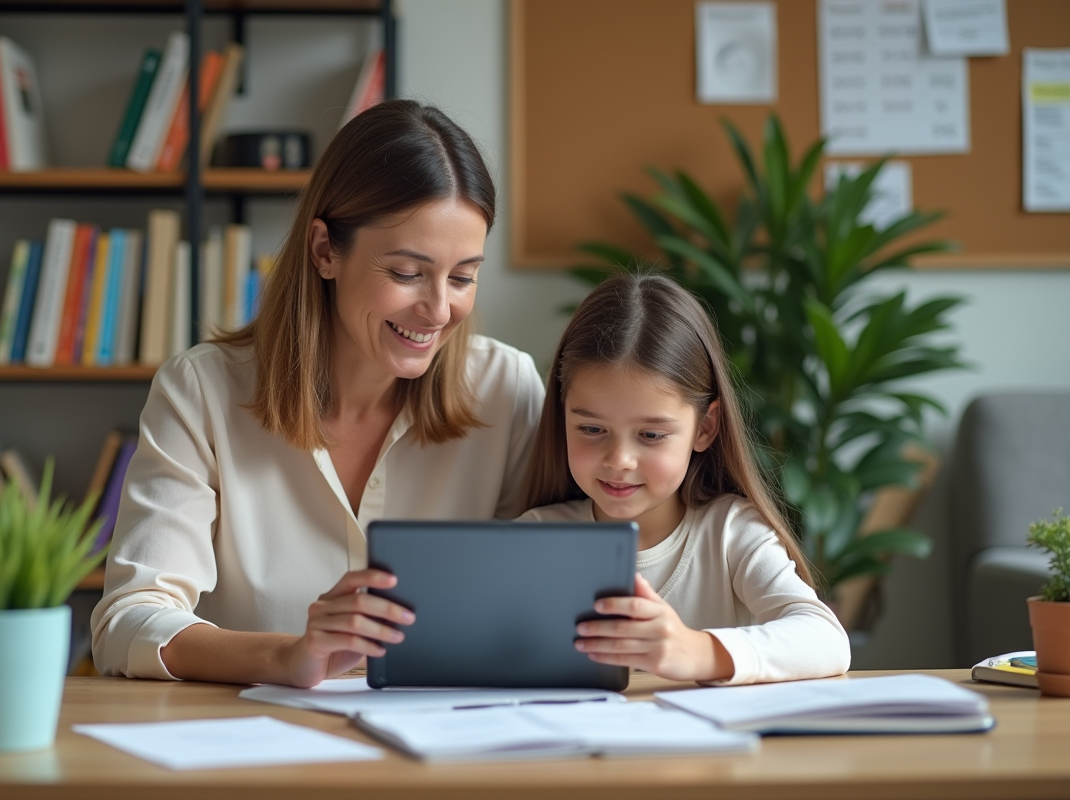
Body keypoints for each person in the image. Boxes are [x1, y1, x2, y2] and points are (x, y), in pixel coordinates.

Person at [91, 100, 544, 686]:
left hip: (444, 752)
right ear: (325, 250)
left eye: (462, 277)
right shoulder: (201, 391)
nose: (438, 309)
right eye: (407, 273)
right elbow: (128, 622)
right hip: (261, 755)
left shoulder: (507, 389)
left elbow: (542, 602)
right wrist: (286, 656)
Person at [519, 272, 850, 685]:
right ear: (562, 415)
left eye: (651, 435)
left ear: (705, 428)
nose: (619, 460)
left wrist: (696, 651)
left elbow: (827, 640)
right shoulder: (533, 539)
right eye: (591, 429)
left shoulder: (731, 533)